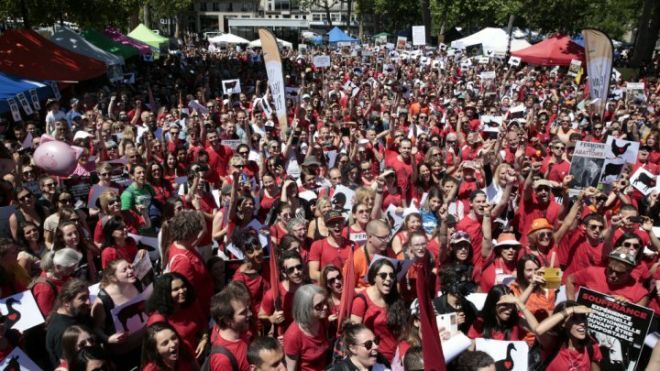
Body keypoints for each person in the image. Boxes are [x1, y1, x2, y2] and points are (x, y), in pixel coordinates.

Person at [90, 259, 144, 369]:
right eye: (124, 270)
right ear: (113, 278)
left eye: (130, 267)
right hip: (123, 354)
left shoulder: (137, 283)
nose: (130, 271)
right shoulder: (103, 301)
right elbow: (96, 328)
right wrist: (108, 339)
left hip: (144, 344)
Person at [351, 258, 407, 363]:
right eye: (383, 275)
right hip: (375, 361)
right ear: (374, 277)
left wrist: (403, 354)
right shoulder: (361, 301)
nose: (388, 279)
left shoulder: (395, 299)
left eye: (392, 275)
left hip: (397, 359)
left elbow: (403, 333)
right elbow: (354, 336)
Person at [166, 210, 214, 322]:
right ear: (191, 233)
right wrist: (201, 321)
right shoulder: (182, 261)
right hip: (200, 313)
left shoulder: (182, 245)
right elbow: (188, 295)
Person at [146, 273, 207, 358]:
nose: (182, 291)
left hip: (200, 355)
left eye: (183, 287)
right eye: (176, 289)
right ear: (165, 294)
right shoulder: (158, 319)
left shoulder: (191, 303)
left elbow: (203, 322)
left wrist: (204, 339)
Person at [566, 246, 649, 305]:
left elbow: (638, 323)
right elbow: (570, 279)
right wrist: (571, 304)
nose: (613, 275)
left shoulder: (640, 294)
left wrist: (629, 306)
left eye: (619, 273)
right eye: (610, 270)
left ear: (630, 271)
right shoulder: (592, 272)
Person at [534, 301, 601, 371]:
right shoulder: (553, 343)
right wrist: (570, 310)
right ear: (563, 323)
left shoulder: (591, 345)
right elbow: (539, 330)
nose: (582, 323)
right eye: (575, 319)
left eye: (583, 318)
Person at [46, 278, 94, 368]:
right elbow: (67, 364)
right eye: (82, 298)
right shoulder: (63, 330)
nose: (88, 302)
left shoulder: (77, 313)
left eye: (88, 296)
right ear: (67, 302)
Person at [467, 284, 540, 342]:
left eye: (511, 305)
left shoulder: (514, 319)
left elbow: (538, 330)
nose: (509, 309)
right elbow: (469, 349)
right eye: (504, 305)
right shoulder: (480, 322)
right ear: (493, 304)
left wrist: (519, 302)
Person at [283, 284, 330, 371]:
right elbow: (290, 369)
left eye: (325, 302)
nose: (325, 307)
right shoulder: (293, 336)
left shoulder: (321, 320)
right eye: (318, 306)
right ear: (305, 308)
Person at [208, 283, 252, 371]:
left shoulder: (240, 330)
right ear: (227, 320)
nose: (250, 314)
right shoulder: (222, 360)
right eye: (243, 313)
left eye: (248, 309)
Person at [259, 250, 305, 333]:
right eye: (291, 269)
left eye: (299, 267)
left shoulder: (310, 287)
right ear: (284, 273)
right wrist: (271, 319)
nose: (296, 272)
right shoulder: (274, 294)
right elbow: (261, 316)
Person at [32, 247, 82, 316]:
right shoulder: (44, 289)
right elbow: (49, 316)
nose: (74, 270)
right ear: (58, 267)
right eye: (71, 267)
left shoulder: (63, 275)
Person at [309, 210, 355, 282]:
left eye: (339, 222)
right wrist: (334, 279)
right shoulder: (317, 245)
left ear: (343, 224)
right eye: (332, 223)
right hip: (327, 289)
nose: (336, 225)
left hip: (347, 287)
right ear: (326, 225)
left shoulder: (352, 245)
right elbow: (313, 273)